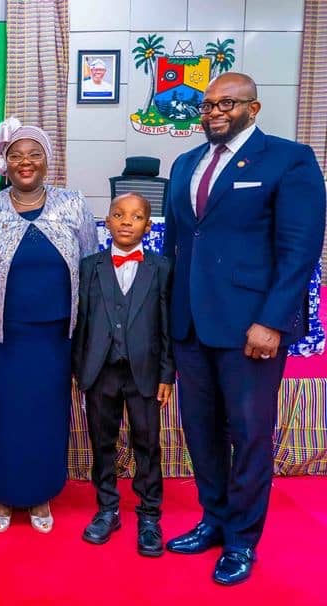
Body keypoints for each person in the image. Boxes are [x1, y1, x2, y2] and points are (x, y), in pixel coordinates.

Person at [163, 72, 325, 585]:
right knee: (201, 432)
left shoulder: (289, 159)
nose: (213, 111)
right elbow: (176, 247)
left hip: (251, 329)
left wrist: (273, 321)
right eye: (207, 104)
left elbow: (299, 249)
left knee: (249, 435)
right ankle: (213, 519)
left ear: (253, 109)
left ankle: (241, 540)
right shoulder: (185, 163)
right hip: (190, 325)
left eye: (226, 103)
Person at [0, 117, 97, 534]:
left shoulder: (73, 204)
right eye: (16, 155)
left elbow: (91, 270)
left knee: (46, 417)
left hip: (55, 338)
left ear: (47, 162)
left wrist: (88, 337)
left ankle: (40, 493)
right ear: (4, 162)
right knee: (0, 415)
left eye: (34, 155)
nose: (25, 162)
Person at [72, 192, 174, 557]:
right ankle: (107, 509)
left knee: (147, 444)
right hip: (100, 371)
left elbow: (166, 325)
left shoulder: (161, 267)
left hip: (144, 372)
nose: (126, 221)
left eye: (136, 217)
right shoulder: (90, 266)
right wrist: (79, 369)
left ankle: (149, 515)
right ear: (108, 221)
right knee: (102, 442)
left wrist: (167, 372)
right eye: (118, 214)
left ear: (148, 225)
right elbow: (81, 321)